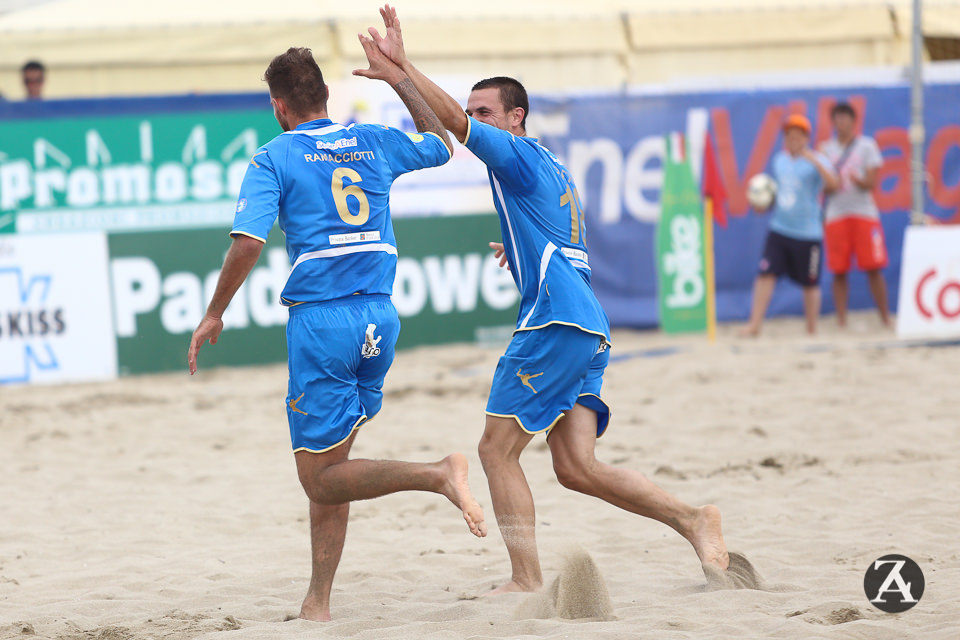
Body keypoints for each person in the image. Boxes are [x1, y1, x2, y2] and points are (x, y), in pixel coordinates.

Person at [364, 4, 731, 595]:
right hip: (587, 325)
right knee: (576, 468)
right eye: (476, 109)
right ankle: (694, 520)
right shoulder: (550, 168)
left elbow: (453, 123)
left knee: (495, 450)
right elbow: (563, 240)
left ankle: (525, 580)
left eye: (488, 112)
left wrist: (403, 71)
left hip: (556, 323)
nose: (476, 119)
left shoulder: (516, 153)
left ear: (516, 118)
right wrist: (520, 248)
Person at [187, 43, 487, 622]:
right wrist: (400, 79)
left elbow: (248, 242)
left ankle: (438, 475)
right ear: (325, 96)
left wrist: (215, 311)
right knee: (333, 465)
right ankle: (318, 603)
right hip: (380, 318)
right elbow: (440, 145)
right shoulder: (370, 138)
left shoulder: (273, 156)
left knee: (320, 479)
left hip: (323, 324)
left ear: (279, 106)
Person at [740, 114, 839, 336]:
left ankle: (811, 330)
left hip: (808, 233)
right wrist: (765, 204)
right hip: (780, 229)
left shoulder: (817, 160)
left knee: (810, 283)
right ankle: (755, 325)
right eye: (789, 135)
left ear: (806, 137)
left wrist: (813, 160)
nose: (793, 139)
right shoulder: (779, 160)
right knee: (765, 275)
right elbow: (783, 195)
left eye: (798, 135)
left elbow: (833, 185)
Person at [819, 102, 891, 328]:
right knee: (839, 270)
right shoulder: (825, 149)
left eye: (845, 117)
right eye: (837, 118)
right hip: (836, 214)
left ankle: (885, 318)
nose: (841, 122)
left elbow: (871, 182)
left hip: (864, 213)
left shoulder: (866, 145)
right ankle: (841, 320)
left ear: (853, 120)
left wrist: (859, 181)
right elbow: (823, 186)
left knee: (874, 268)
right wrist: (833, 184)